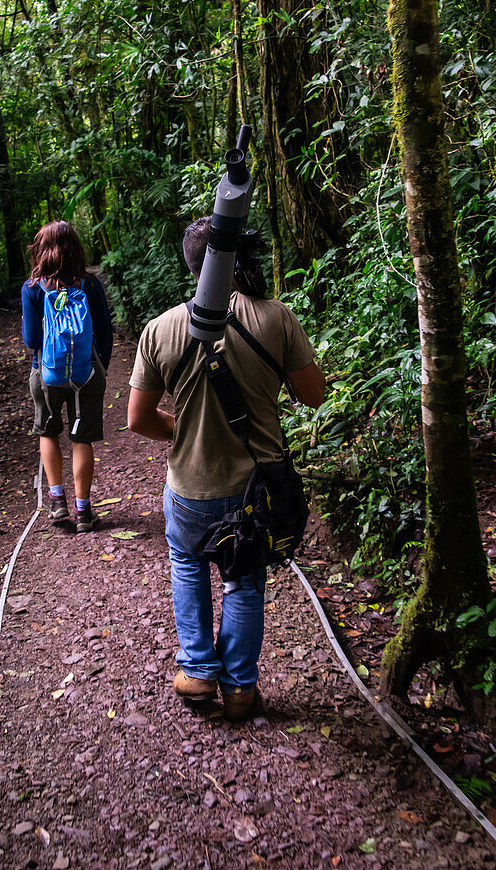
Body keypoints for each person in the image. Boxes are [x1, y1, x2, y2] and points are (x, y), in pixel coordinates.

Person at [127, 217, 325, 720]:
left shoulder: (161, 329)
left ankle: (197, 671)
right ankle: (239, 688)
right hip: (254, 488)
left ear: (194, 267)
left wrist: (181, 430)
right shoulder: (274, 318)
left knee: (188, 564)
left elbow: (137, 419)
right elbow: (313, 395)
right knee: (244, 577)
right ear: (238, 259)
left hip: (189, 486)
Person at [22, 221, 113, 533]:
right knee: (81, 438)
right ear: (76, 248)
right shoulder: (90, 285)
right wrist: (101, 369)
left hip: (45, 374)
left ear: (41, 250)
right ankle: (84, 511)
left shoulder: (32, 289)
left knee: (48, 434)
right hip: (86, 372)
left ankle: (58, 502)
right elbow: (104, 333)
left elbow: (32, 339)